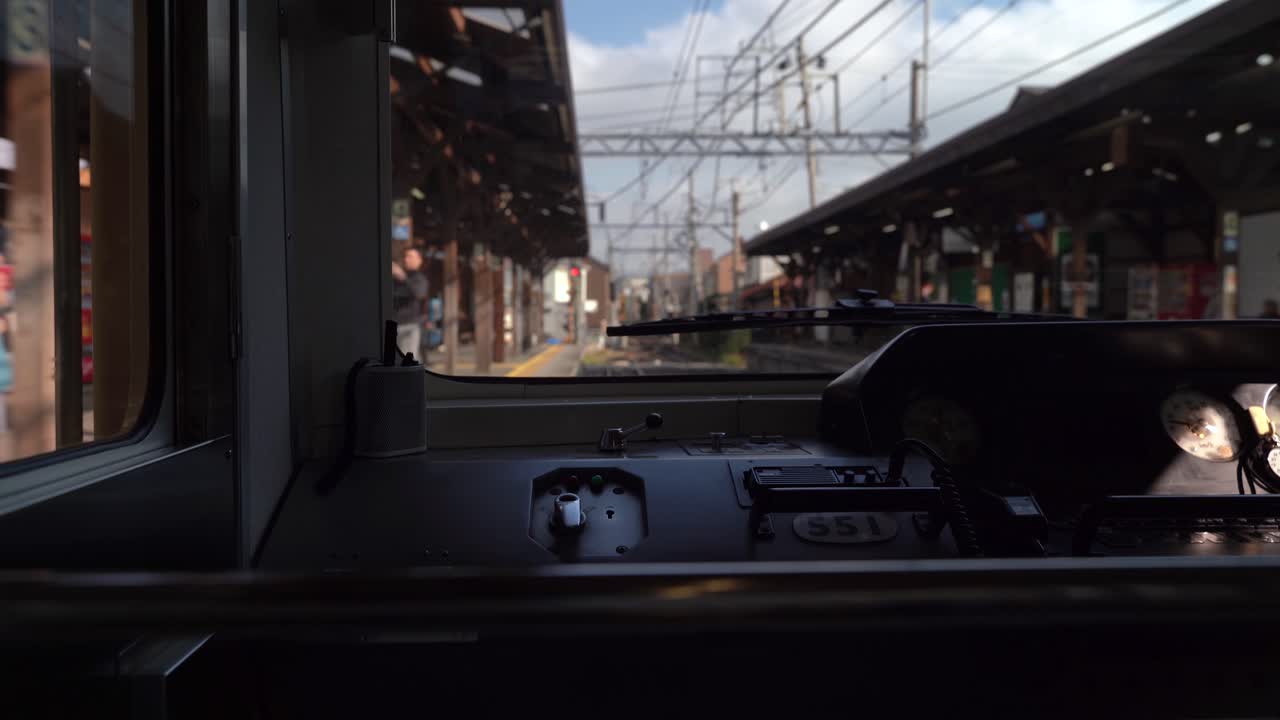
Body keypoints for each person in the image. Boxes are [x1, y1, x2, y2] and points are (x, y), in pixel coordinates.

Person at [392, 247, 428, 358]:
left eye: (410, 256)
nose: (406, 260)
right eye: (405, 257)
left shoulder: (420, 278)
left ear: (419, 260)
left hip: (410, 326)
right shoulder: (396, 279)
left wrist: (403, 277)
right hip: (394, 325)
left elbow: (419, 293)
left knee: (408, 361)